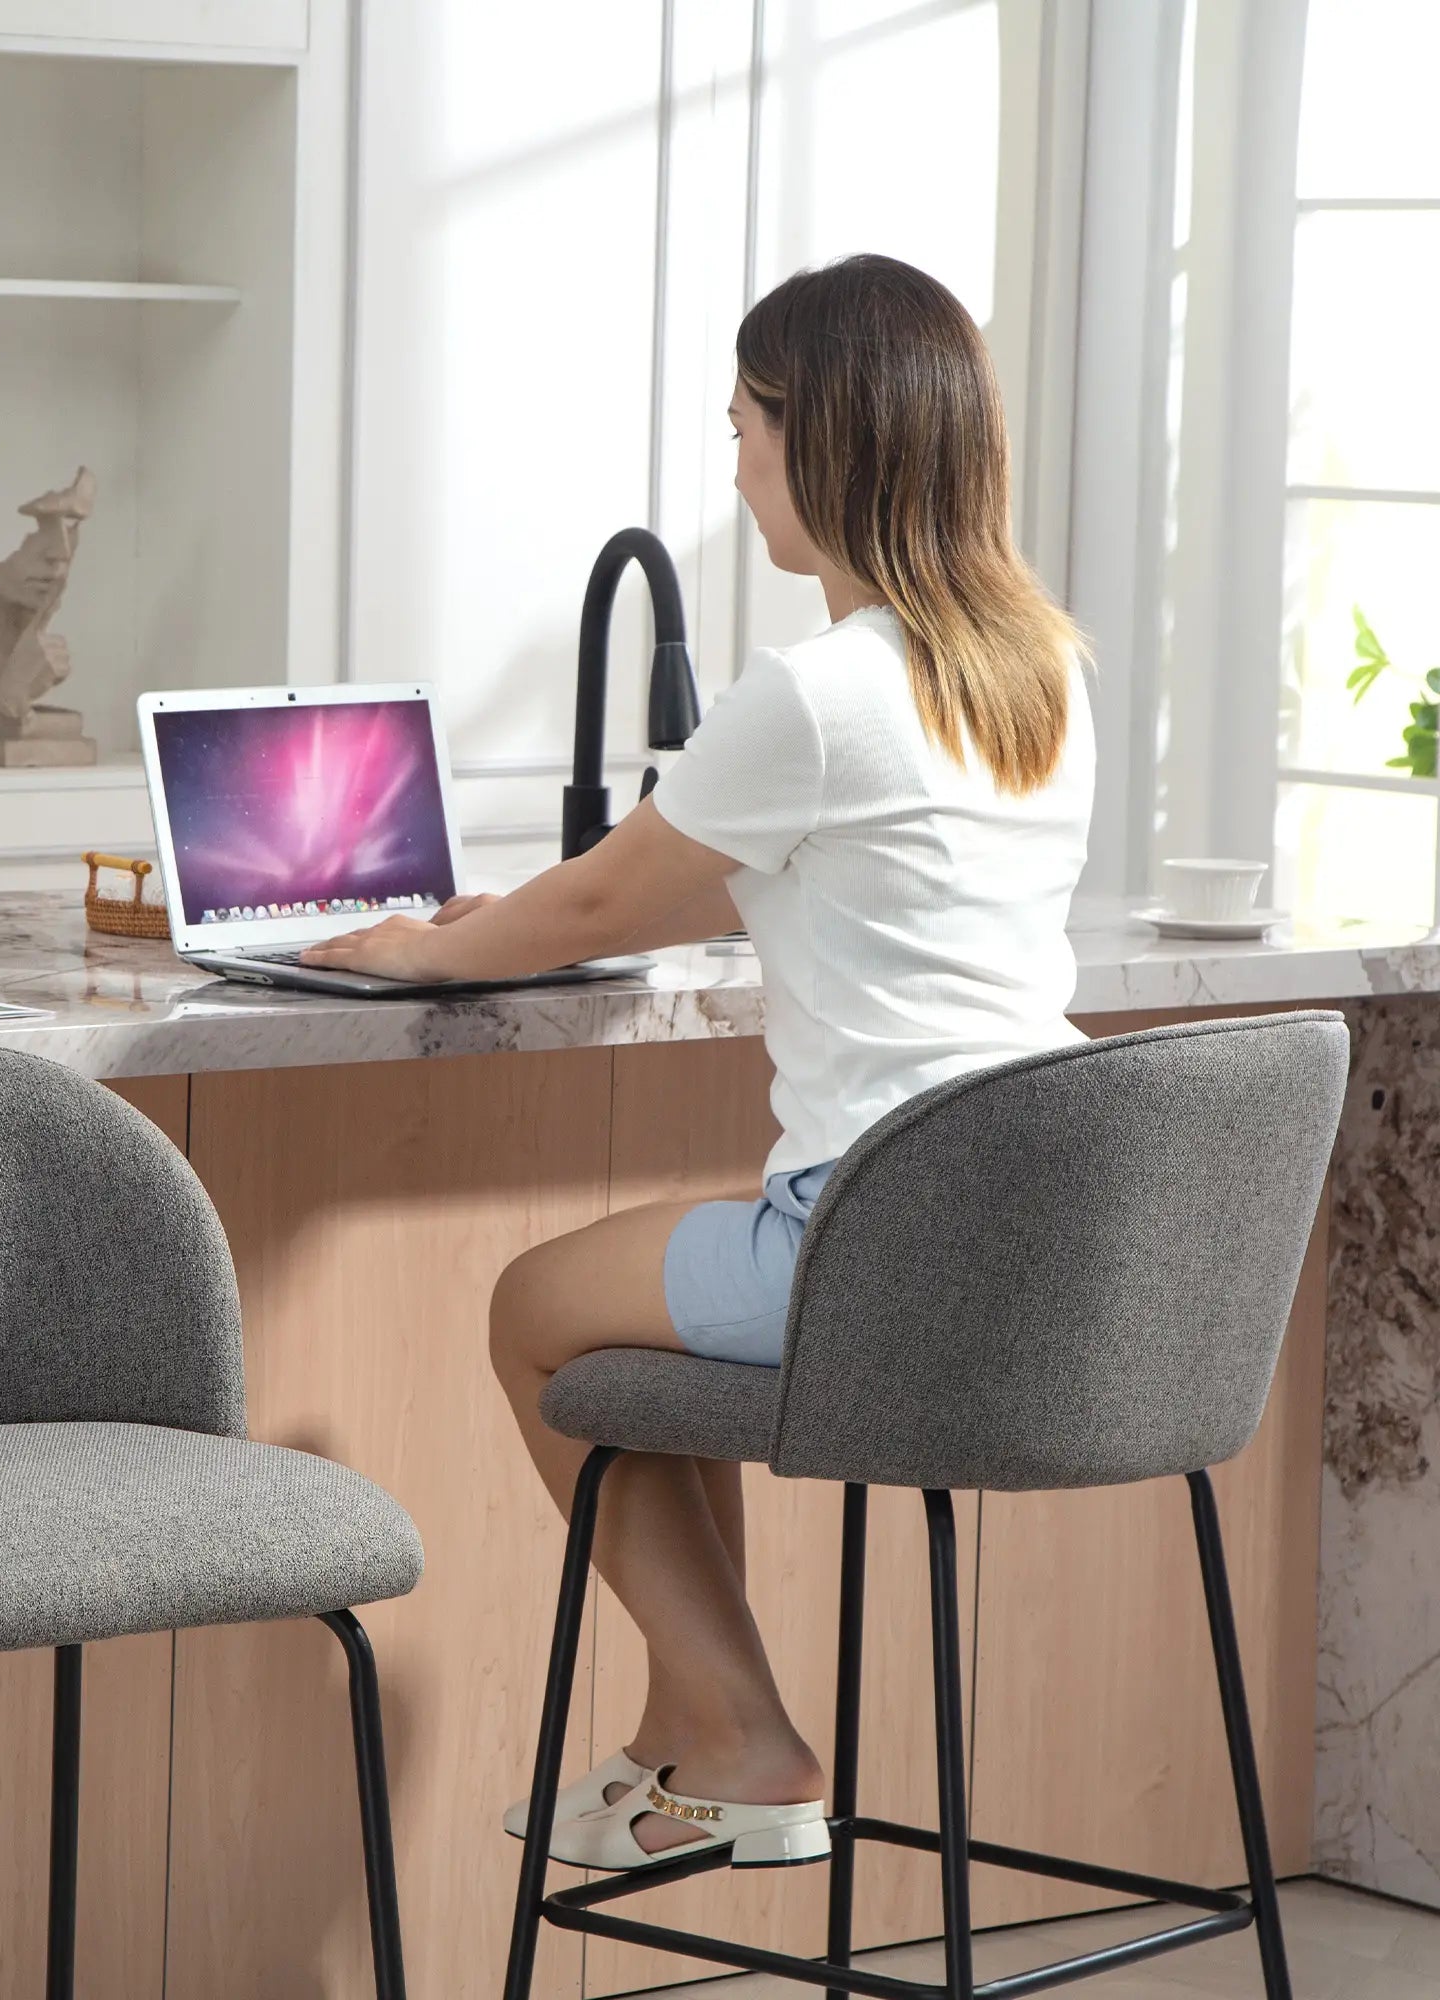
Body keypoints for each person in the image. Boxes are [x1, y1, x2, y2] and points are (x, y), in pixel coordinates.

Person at [300, 252, 1095, 1870]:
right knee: (637, 1314)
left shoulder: (819, 693)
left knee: (537, 1311)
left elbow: (602, 896)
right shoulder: (1041, 671)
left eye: (743, 421)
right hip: (1045, 1239)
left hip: (879, 1242)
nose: (731, 461)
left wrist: (429, 945)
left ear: (825, 439)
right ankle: (682, 1737)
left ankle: (745, 1736)